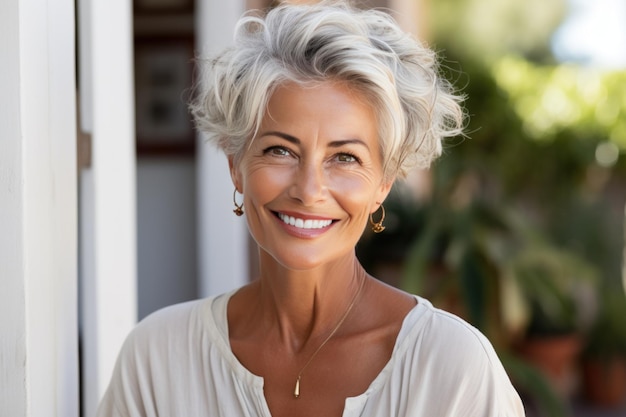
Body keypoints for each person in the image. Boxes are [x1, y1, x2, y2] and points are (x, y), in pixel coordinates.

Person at [97, 1, 525, 416]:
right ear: (236, 166)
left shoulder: (452, 368)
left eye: (345, 157)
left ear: (382, 184)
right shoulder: (158, 356)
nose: (309, 189)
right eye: (280, 150)